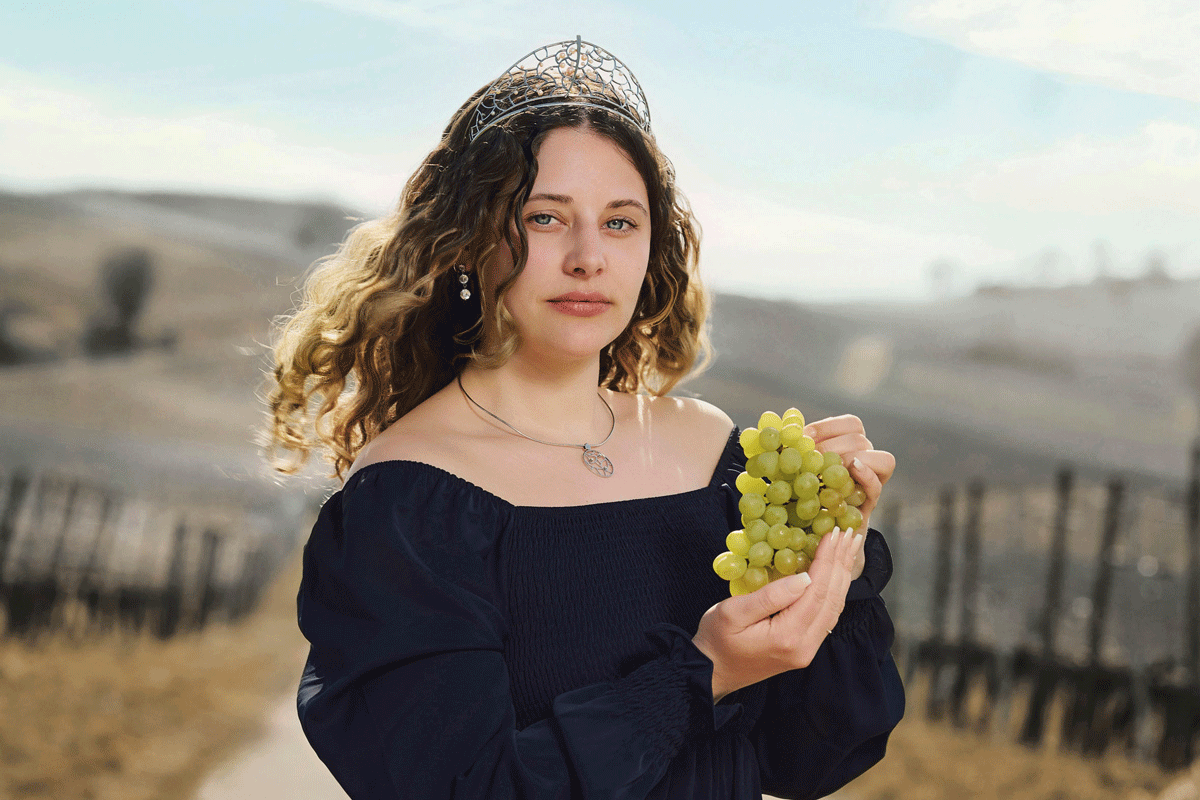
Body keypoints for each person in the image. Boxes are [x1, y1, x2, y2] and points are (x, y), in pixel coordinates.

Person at [266, 37, 904, 800]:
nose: (586, 257)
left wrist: (833, 558)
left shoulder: (718, 453)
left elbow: (812, 762)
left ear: (650, 250)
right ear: (467, 243)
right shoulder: (408, 505)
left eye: (620, 222)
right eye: (543, 218)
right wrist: (700, 679)